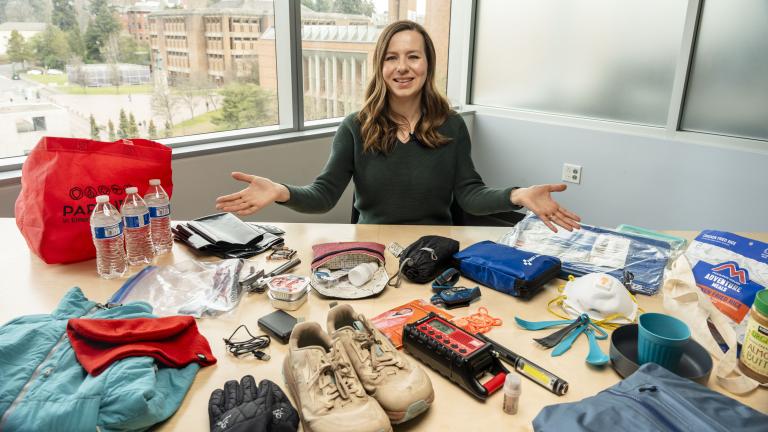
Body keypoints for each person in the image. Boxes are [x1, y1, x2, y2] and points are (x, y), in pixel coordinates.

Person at [216, 20, 580, 232]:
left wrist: (517, 194)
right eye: (392, 58)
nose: (402, 67)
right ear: (380, 67)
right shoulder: (355, 127)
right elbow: (324, 195)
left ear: (427, 64)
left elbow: (469, 194)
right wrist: (280, 190)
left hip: (437, 250)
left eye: (412, 57)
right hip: (371, 252)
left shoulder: (451, 126)